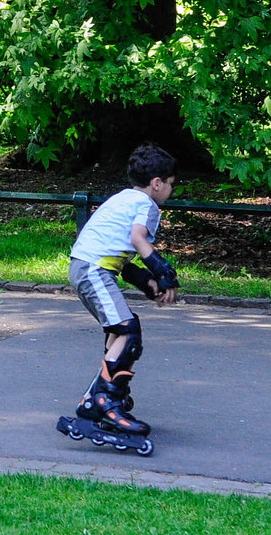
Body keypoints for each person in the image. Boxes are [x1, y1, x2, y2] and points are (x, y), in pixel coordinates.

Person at [61, 143, 180, 445]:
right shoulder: (148, 206)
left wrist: (146, 281)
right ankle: (103, 403)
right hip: (93, 270)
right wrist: (164, 272)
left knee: (119, 332)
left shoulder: (122, 198)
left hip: (86, 267)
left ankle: (95, 397)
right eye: (170, 184)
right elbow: (136, 239)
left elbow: (120, 256)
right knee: (128, 330)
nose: (170, 190)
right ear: (157, 183)